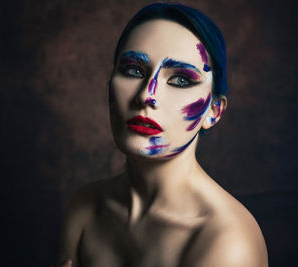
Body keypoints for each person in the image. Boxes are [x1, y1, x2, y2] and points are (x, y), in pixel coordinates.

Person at [56, 3, 268, 267]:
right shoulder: (84, 208)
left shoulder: (228, 241)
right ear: (109, 86)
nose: (147, 95)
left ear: (213, 111)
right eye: (133, 70)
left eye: (180, 80)